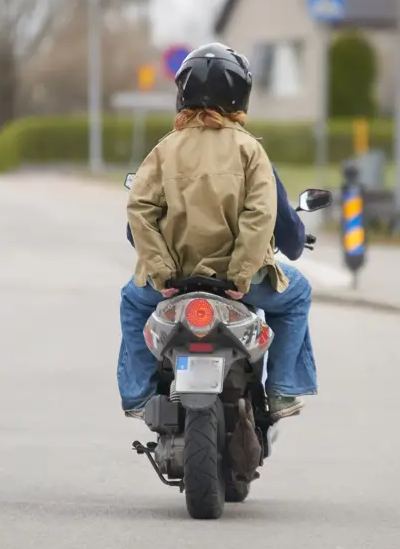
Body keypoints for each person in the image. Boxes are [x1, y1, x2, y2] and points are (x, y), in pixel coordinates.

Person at [118, 42, 317, 422]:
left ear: (182, 93)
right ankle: (282, 391)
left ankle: (139, 396)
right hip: (240, 283)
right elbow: (262, 213)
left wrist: (161, 274)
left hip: (175, 282)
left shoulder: (163, 151)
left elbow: (138, 213)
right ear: (240, 94)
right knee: (297, 295)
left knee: (132, 301)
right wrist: (240, 277)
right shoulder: (249, 151)